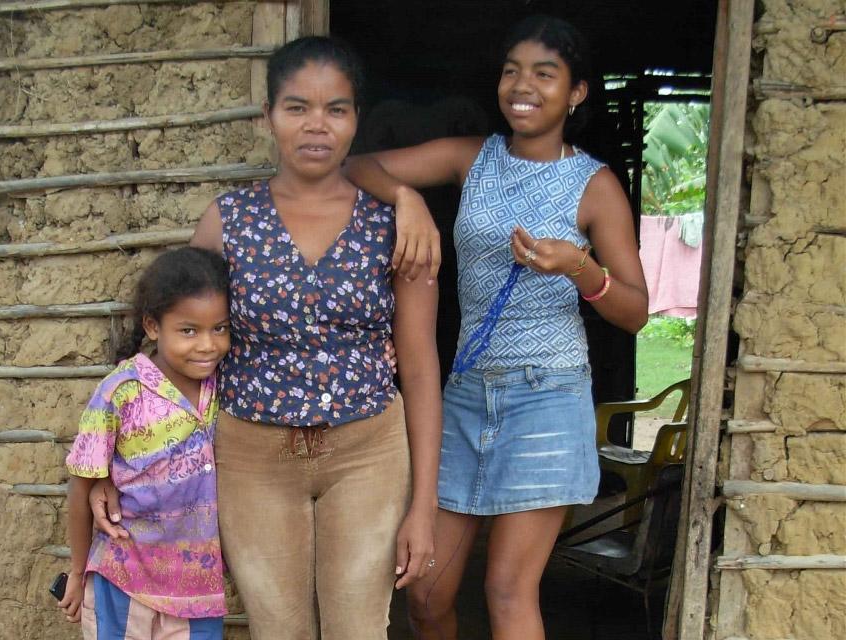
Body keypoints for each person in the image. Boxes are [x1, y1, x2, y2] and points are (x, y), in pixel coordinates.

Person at [90, 36, 443, 640]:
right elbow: (175, 357)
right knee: (278, 629)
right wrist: (111, 464)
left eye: (336, 109)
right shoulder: (228, 220)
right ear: (268, 116)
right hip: (252, 457)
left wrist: (424, 506)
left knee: (358, 630)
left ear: (356, 119)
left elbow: (420, 368)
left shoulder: (395, 226)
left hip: (369, 454)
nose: (316, 125)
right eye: (297, 107)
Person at [343, 15, 648, 640]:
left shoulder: (594, 186)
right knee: (426, 592)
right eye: (512, 71)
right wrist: (407, 198)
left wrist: (580, 268)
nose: (522, 85)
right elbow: (356, 166)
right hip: (465, 395)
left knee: (508, 590)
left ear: (576, 92)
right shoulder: (472, 157)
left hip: (548, 397)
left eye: (544, 74)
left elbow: (635, 310)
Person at [59, 247, 230, 639]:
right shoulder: (121, 392)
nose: (208, 344)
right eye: (189, 331)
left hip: (198, 589)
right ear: (153, 326)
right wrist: (78, 571)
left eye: (220, 328)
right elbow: (81, 483)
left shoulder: (226, 385)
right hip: (125, 576)